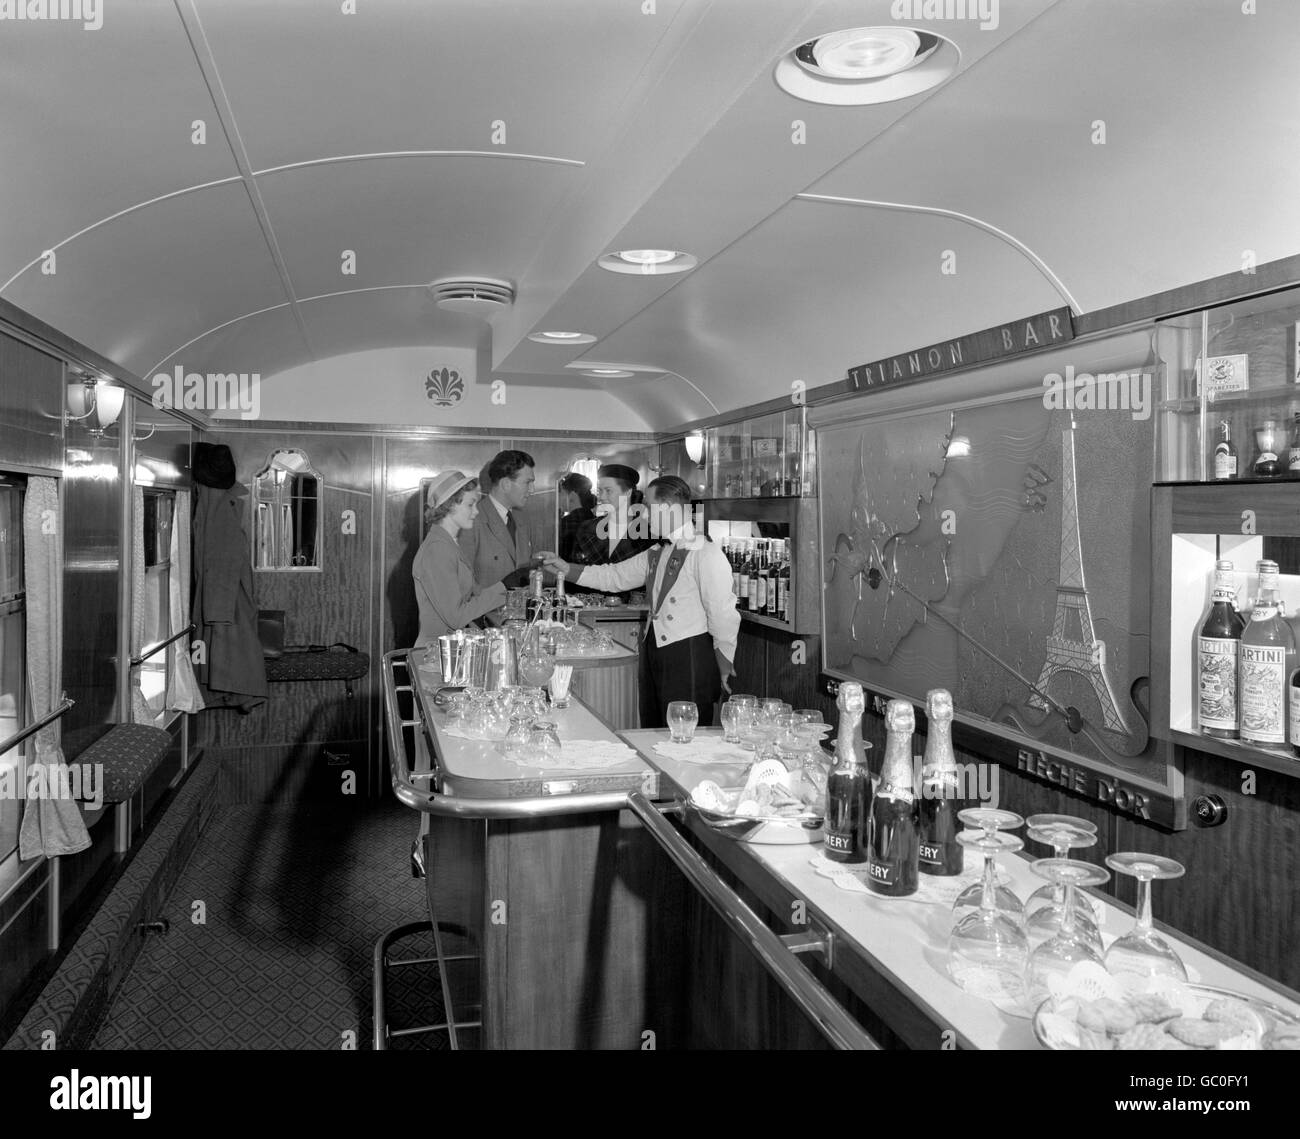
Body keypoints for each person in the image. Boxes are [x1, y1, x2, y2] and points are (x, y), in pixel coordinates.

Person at [542, 475, 739, 729]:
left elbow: (723, 614)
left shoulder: (706, 552)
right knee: (653, 725)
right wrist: (565, 568)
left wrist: (723, 663)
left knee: (685, 732)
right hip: (654, 649)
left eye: (648, 506)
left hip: (687, 654)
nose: (643, 515)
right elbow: (614, 576)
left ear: (668, 507)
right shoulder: (656, 551)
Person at [413, 472, 507, 647]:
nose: (476, 511)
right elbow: (456, 617)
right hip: (437, 655)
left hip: (451, 649)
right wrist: (504, 587)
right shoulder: (437, 550)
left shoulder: (448, 544)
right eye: (470, 504)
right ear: (449, 506)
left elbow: (469, 595)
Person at [459, 449, 536, 588]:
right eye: (527, 482)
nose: (532, 490)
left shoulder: (522, 519)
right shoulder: (471, 521)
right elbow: (462, 584)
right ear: (505, 484)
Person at [570, 463, 653, 568]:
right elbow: (576, 571)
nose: (602, 497)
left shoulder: (648, 533)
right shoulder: (586, 528)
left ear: (628, 492)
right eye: (600, 490)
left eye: (608, 491)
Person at [557, 472, 596, 563]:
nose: (558, 497)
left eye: (561, 492)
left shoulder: (566, 522)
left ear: (572, 496)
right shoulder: (593, 518)